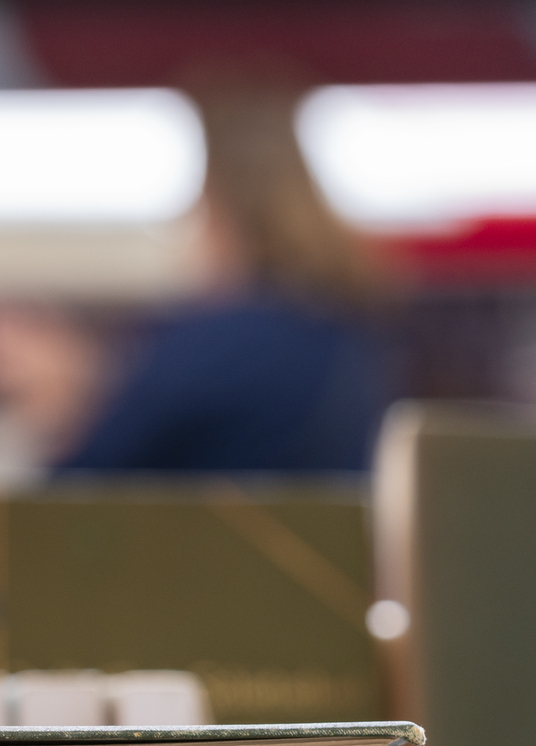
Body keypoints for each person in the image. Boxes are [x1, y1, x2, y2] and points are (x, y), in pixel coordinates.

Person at [49, 81, 394, 475]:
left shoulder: (218, 340)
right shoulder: (345, 336)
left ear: (221, 209)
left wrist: (58, 407)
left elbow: (75, 487)